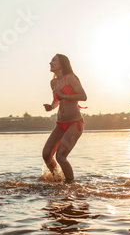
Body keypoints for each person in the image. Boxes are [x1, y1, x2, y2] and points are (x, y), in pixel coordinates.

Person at [43, 54, 87, 182]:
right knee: (46, 154)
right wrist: (51, 107)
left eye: (53, 61)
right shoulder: (54, 82)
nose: (50, 63)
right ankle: (57, 179)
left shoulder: (71, 78)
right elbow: (56, 100)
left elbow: (83, 96)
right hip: (60, 124)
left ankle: (70, 184)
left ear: (62, 63)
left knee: (61, 156)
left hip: (75, 123)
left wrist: (64, 95)